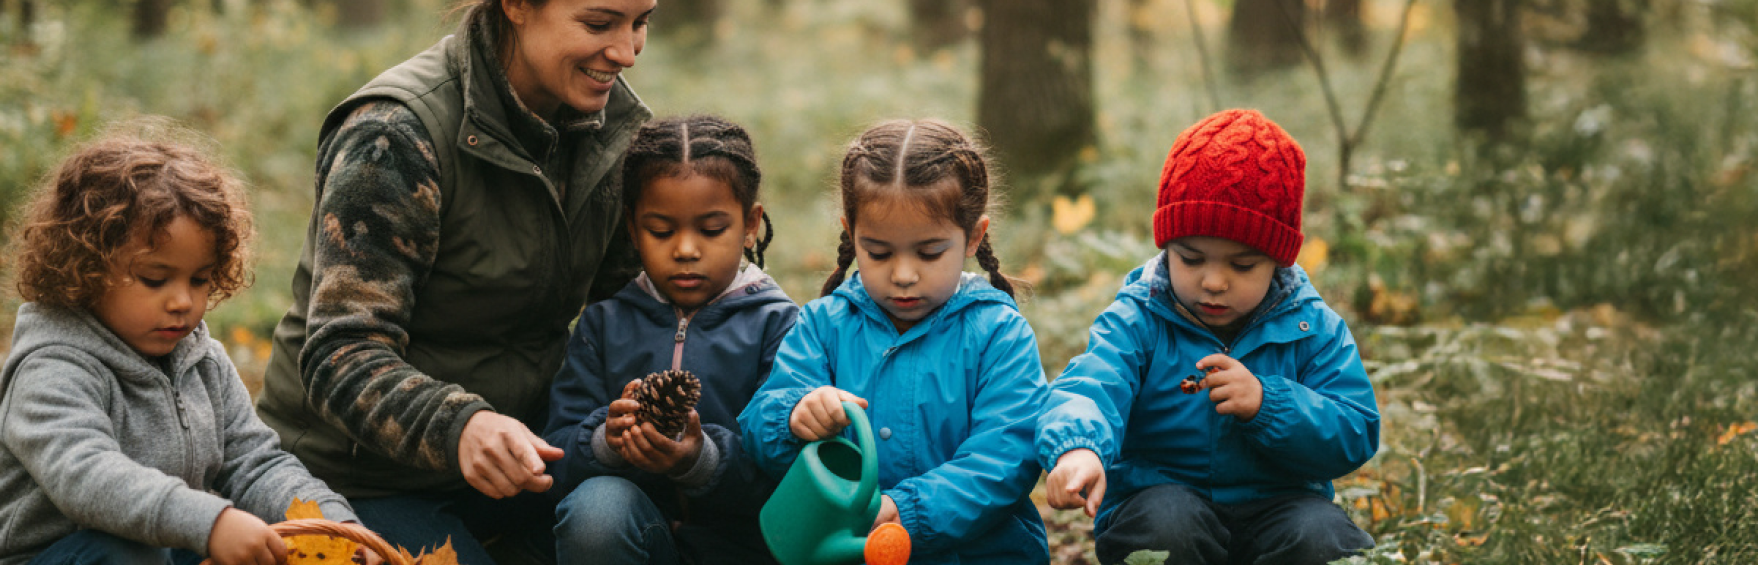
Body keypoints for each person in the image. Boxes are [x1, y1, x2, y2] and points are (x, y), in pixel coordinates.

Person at [254, 0, 667, 564]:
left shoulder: (617, 137)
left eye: (641, 23)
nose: (626, 52)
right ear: (515, 0)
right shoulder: (396, 135)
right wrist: (462, 425)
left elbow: (629, 312)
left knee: (617, 523)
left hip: (526, 463)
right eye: (600, 22)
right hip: (360, 479)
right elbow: (339, 353)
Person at [0, 122, 361, 565]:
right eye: (155, 279)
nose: (183, 302)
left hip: (164, 550)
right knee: (127, 552)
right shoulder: (53, 366)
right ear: (88, 267)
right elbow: (88, 478)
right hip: (65, 556)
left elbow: (257, 463)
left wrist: (335, 529)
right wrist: (211, 522)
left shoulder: (202, 360)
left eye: (199, 280)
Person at [1041, 109, 1379, 565]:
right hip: (1161, 495)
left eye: (1242, 266)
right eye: (1192, 259)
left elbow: (1355, 428)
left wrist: (1269, 403)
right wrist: (1078, 447)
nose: (1214, 282)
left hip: (1282, 504)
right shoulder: (1139, 318)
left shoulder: (1310, 327)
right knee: (1164, 529)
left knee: (1324, 537)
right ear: (1166, 248)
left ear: (1277, 261)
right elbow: (1091, 385)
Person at [740, 119, 1051, 564]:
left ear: (973, 237)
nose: (903, 275)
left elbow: (1005, 457)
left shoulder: (998, 333)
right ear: (852, 234)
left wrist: (903, 511)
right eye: (879, 252)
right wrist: (793, 415)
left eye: (929, 253)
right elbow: (758, 426)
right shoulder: (824, 324)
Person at [542, 115, 798, 565]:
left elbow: (789, 471)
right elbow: (554, 455)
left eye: (712, 230)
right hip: (638, 537)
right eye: (660, 231)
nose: (684, 249)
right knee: (596, 510)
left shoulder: (781, 327)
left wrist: (698, 459)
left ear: (751, 223)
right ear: (632, 227)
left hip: (745, 548)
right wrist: (605, 441)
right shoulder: (604, 324)